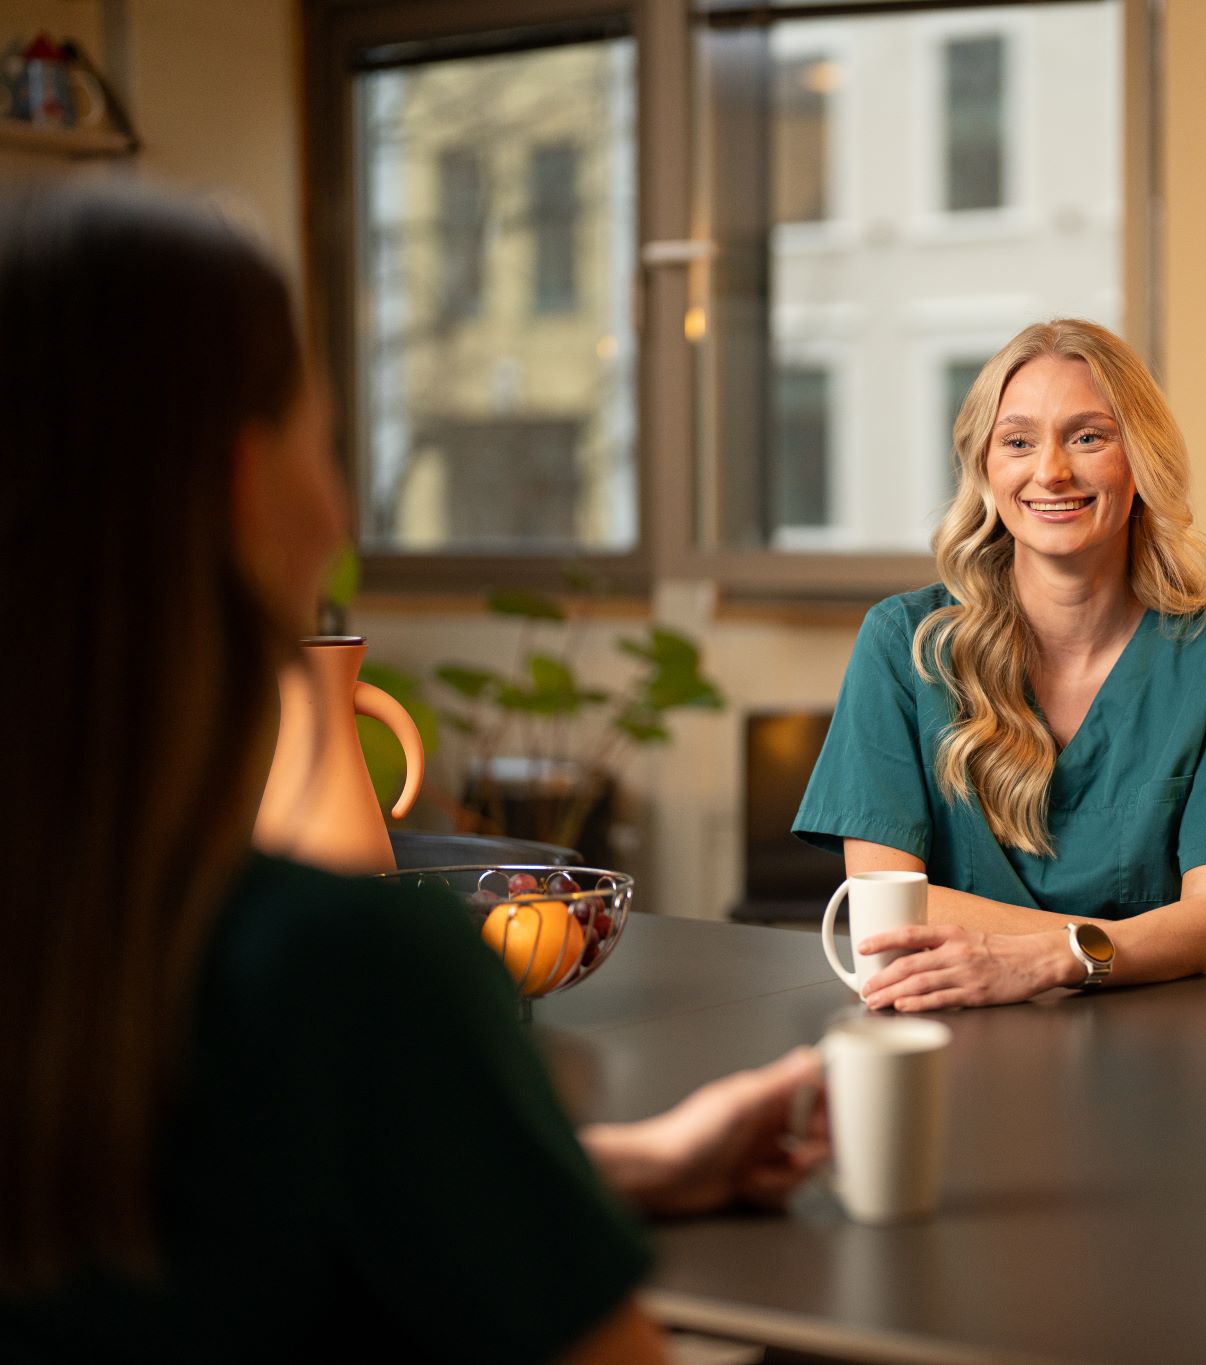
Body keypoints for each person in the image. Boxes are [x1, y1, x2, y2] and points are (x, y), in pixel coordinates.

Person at [0, 181, 826, 1363]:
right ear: (246, 488)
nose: (339, 507)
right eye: (325, 445)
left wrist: (623, 1166)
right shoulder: (345, 972)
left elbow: (207, 1210)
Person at [793, 319, 1206, 1011]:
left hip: (1152, 1044)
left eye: (1088, 437)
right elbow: (886, 916)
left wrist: (1043, 960)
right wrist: (1128, 942)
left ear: (1141, 460)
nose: (1051, 471)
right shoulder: (904, 643)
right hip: (950, 1035)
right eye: (1018, 441)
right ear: (985, 468)